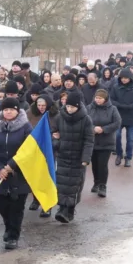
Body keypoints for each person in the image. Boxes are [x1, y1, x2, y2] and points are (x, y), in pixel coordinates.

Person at [0, 97, 32, 249]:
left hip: (19, 174)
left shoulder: (25, 127)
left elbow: (29, 150)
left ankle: (13, 235)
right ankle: (8, 227)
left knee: (16, 207)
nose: (8, 112)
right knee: (1, 203)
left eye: (11, 109)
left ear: (17, 110)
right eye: (5, 109)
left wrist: (11, 165)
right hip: (0, 174)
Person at [52, 90, 94, 223]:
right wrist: (57, 142)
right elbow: (53, 134)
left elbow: (89, 140)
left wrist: (86, 158)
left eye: (73, 107)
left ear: (78, 106)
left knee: (75, 184)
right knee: (62, 182)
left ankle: (69, 210)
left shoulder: (86, 120)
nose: (70, 109)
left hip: (78, 157)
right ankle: (61, 208)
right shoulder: (59, 117)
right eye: (68, 106)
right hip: (63, 155)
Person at [86, 90, 121, 198]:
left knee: (102, 164)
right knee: (94, 164)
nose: (98, 100)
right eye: (96, 98)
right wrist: (93, 128)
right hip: (92, 141)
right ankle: (96, 182)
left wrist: (104, 129)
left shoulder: (112, 109)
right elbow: (84, 122)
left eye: (100, 98)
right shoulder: (89, 108)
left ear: (105, 99)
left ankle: (103, 185)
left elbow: (117, 123)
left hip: (106, 141)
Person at [110, 69, 133, 168]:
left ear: (130, 78)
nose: (124, 80)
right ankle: (119, 154)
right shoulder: (116, 87)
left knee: (130, 139)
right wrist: (120, 105)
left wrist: (131, 106)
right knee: (117, 136)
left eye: (126, 78)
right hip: (118, 115)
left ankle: (128, 157)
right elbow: (111, 99)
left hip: (131, 115)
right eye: (122, 78)